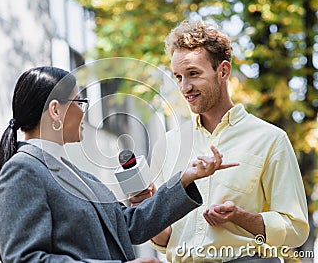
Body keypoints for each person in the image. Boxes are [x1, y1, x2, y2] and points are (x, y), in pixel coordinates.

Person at [0, 66, 238, 263]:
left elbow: (130, 225)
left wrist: (185, 178)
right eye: (79, 102)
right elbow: (26, 259)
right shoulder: (23, 171)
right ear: (55, 110)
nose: (84, 112)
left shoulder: (81, 176)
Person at [129, 20, 309, 262]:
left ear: (223, 71)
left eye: (193, 74)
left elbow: (296, 230)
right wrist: (150, 209)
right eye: (179, 77)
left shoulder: (270, 139)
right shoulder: (170, 144)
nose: (185, 87)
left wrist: (240, 216)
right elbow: (166, 239)